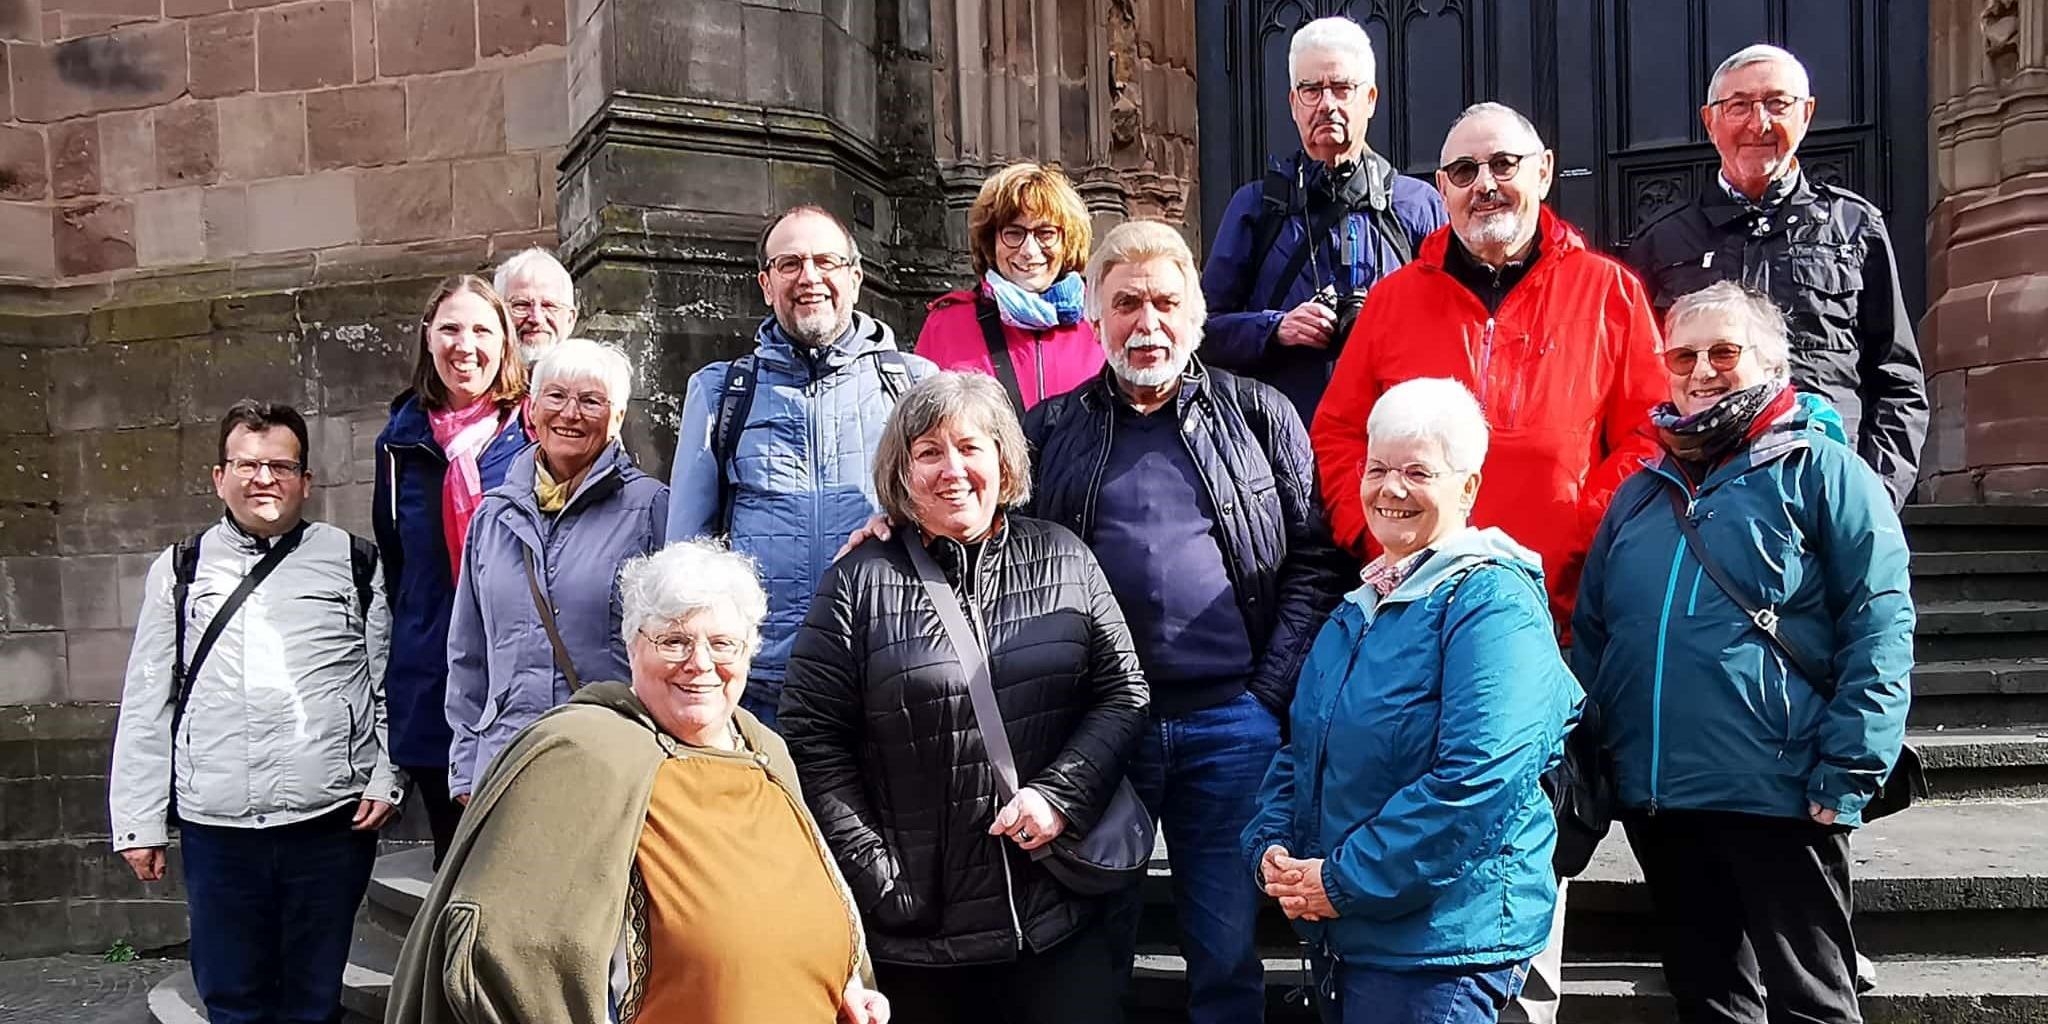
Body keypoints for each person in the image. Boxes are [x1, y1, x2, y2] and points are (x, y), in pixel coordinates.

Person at [1309, 101, 1666, 1023]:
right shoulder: (1395, 299)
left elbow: (1645, 437)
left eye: (1502, 165)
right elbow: (1342, 434)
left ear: (1544, 171)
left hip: (1552, 614)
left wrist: (1574, 530)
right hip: (1416, 614)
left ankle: (1513, 1000)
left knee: (1520, 820)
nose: (1483, 186)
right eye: (1461, 173)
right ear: (1439, 190)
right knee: (1423, 805)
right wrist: (1381, 531)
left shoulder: (1608, 291)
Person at [1027, 219, 1348, 1023]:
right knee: (1093, 951)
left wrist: (1268, 697)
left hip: (1230, 725)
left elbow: (1315, 560)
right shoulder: (1049, 429)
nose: (1147, 323)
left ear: (1197, 314)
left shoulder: (1263, 414)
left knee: (1225, 950)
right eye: (1126, 303)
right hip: (1101, 730)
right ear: (1095, 317)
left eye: (1166, 302)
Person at [1571, 281, 1915, 1024]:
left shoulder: (1823, 471)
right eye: (1682, 356)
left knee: (1812, 1004)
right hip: (1660, 797)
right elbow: (1595, 636)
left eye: (1723, 352)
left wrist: (1852, 764)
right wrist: (1597, 763)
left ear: (1770, 362)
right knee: (1711, 1001)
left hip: (1781, 789)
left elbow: (1879, 624)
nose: (1700, 371)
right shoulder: (1640, 492)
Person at [387, 540, 892, 1024]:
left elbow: (797, 914)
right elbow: (498, 950)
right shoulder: (580, 753)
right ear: (633, 647)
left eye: (722, 644)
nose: (700, 664)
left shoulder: (766, 752)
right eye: (674, 641)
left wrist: (842, 985)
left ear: (749, 654)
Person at [779, 371, 1148, 1024]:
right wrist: (880, 875)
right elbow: (811, 735)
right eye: (928, 452)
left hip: (1056, 908)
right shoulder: (858, 583)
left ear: (1003, 459)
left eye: (970, 447)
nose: (952, 469)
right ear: (903, 471)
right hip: (922, 934)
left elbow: (1122, 693)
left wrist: (1061, 795)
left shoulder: (1063, 557)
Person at [1243, 377, 1581, 1024]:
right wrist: (1272, 849)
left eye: (1418, 471)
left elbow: (1479, 779)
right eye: (1377, 468)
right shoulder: (1360, 608)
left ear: (1469, 488)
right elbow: (1302, 747)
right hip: (1359, 939)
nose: (1390, 489)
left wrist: (1339, 882)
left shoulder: (1492, 605)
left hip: (1440, 950)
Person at [109, 400, 404, 1024]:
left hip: (327, 823)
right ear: (220, 477)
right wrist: (137, 820)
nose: (264, 478)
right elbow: (146, 699)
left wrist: (386, 777)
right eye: (247, 464)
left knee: (312, 998)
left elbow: (385, 685)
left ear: (305, 480)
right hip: (219, 828)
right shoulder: (181, 569)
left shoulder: (355, 563)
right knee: (234, 998)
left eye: (280, 465)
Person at [667, 204, 937, 729]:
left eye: (825, 261)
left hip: (887, 672)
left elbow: (958, 522)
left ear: (855, 279)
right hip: (763, 685)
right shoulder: (722, 392)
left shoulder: (913, 385)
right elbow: (687, 555)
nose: (809, 277)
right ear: (766, 284)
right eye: (789, 264)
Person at [1626, 44, 1926, 509]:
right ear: (1710, 121)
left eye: (1777, 104)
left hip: (1827, 490)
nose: (1758, 123)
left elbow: (1897, 378)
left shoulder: (1854, 227)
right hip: (1702, 496)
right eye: (1739, 105)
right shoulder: (1662, 243)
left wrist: (1875, 493)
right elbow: (1637, 389)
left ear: (1806, 114)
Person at [445, 337, 668, 803]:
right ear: (532, 408)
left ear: (618, 419)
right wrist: (467, 768)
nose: (571, 413)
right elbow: (469, 654)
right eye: (557, 396)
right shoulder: (493, 516)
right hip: (507, 761)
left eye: (591, 401)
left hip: (611, 762)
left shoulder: (652, 509)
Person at [1201, 15, 1446, 423]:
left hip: (1395, 446)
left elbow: (1457, 327)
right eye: (1311, 90)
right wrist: (1276, 329)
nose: (1326, 104)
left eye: (1341, 88)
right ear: (1293, 104)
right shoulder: (1255, 207)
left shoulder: (1417, 206)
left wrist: (1388, 326)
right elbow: (1202, 333)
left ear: (1369, 99)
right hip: (1281, 443)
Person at [372, 274, 531, 863]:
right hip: (435, 675)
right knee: (455, 864)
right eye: (450, 329)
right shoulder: (399, 442)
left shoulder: (534, 431)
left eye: (482, 329)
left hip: (524, 675)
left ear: (506, 341)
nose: (465, 345)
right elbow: (399, 559)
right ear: (428, 339)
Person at [915, 162, 1106, 412]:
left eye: (1045, 233)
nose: (1029, 250)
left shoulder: (1100, 324)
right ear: (991, 242)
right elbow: (918, 429)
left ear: (1067, 242)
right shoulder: (946, 324)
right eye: (1014, 233)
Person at [493, 246, 580, 363]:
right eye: (521, 305)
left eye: (548, 305)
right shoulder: (478, 379)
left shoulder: (597, 378)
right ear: (499, 315)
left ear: (570, 319)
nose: (536, 319)